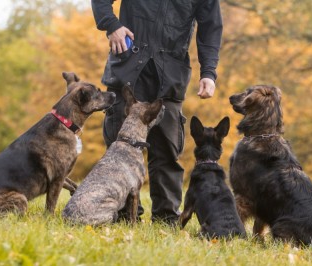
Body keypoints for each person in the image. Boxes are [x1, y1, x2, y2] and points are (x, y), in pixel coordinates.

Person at [91, 0, 223, 224]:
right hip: (128, 67)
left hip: (170, 75)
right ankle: (124, 216)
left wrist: (208, 72)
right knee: (118, 148)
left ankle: (166, 219)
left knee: (167, 153)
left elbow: (210, 27)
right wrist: (111, 25)